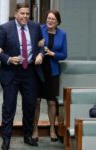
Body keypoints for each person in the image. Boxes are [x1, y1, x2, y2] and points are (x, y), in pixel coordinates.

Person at [0, 3, 44, 150]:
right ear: (16, 13)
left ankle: (27, 136)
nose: (25, 16)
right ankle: (6, 140)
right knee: (9, 107)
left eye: (27, 14)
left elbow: (41, 44)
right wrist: (8, 59)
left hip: (30, 73)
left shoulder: (35, 27)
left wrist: (41, 53)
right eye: (22, 13)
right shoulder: (5, 28)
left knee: (29, 106)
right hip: (11, 73)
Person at [32, 10, 67, 142]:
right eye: (48, 18)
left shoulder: (62, 34)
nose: (50, 21)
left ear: (57, 21)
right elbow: (32, 46)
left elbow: (64, 54)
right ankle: (35, 129)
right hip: (38, 70)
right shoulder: (38, 29)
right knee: (36, 101)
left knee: (52, 102)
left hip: (52, 71)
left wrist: (53, 54)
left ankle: (52, 129)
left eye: (53, 19)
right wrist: (38, 47)